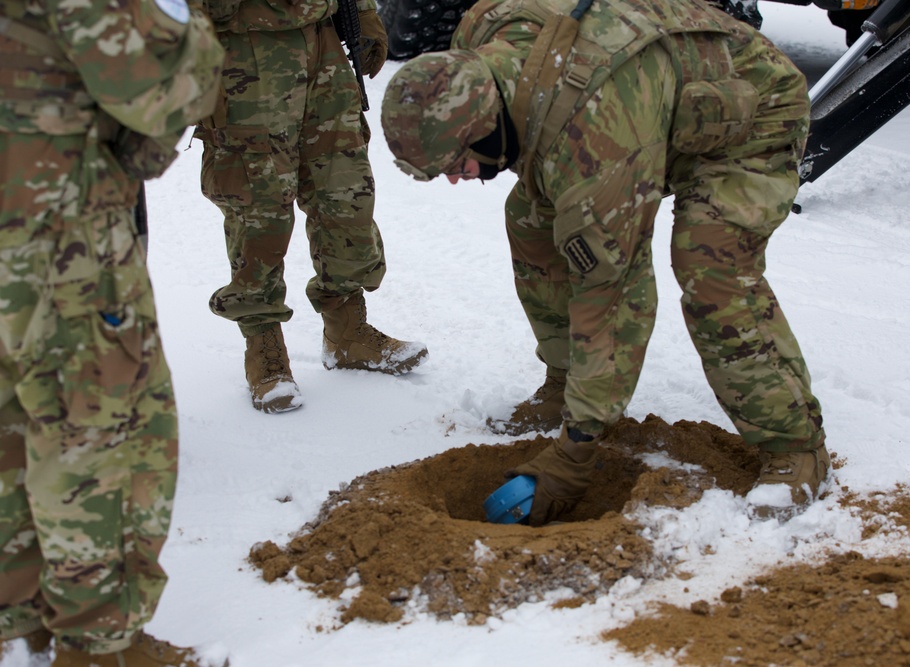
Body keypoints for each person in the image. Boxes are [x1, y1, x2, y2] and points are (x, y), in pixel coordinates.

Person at [381, 0, 829, 524]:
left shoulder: (593, 137)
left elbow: (615, 301)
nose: (458, 177)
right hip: (644, 108)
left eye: (458, 162)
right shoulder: (482, 34)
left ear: (485, 119)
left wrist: (575, 454)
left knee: (711, 270)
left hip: (747, 114)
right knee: (532, 217)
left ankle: (794, 445)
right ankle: (564, 384)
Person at [0, 1, 226, 665]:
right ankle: (99, 643)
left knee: (14, 421)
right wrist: (203, 40)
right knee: (104, 436)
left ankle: (24, 611)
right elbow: (156, 93)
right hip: (60, 240)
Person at [197, 0, 428, 414]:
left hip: (321, 40)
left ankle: (347, 332)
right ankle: (265, 350)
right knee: (259, 206)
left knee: (345, 190)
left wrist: (363, 11)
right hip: (243, 48)